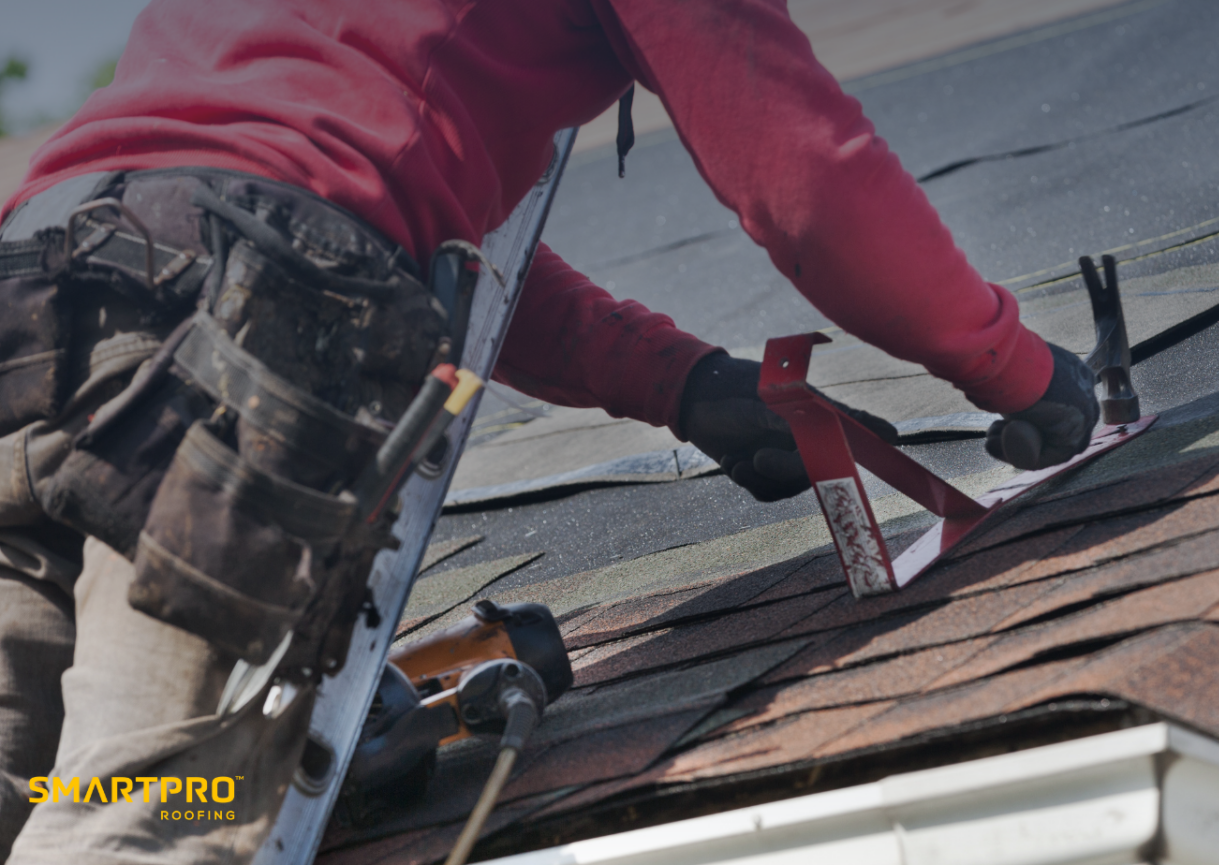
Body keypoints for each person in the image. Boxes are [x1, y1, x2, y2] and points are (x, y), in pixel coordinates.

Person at [0, 0, 1099, 860]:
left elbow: (368, 220)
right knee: (147, 807)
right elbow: (807, 183)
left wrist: (683, 383)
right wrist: (1012, 366)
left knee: (21, 786)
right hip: (241, 341)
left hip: (39, 297)